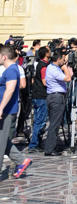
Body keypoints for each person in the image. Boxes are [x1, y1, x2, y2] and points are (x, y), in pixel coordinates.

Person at [0, 45, 32, 178]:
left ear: (4, 57)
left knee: (0, 143)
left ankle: (21, 160)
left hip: (7, 111)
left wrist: (1, 107)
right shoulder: (10, 70)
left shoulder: (12, 70)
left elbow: (11, 89)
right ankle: (21, 160)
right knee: (3, 141)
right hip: (6, 110)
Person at [44, 47, 72, 156]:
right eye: (63, 59)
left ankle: (51, 146)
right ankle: (49, 149)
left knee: (54, 123)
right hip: (56, 98)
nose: (64, 61)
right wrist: (65, 68)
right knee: (54, 124)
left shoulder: (51, 67)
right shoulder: (54, 69)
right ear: (59, 59)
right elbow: (68, 78)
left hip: (53, 96)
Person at [28, 45, 49, 151]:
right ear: (46, 54)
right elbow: (45, 82)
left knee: (38, 120)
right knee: (39, 121)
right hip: (41, 96)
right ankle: (34, 144)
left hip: (37, 95)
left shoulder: (40, 64)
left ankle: (36, 142)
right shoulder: (43, 66)